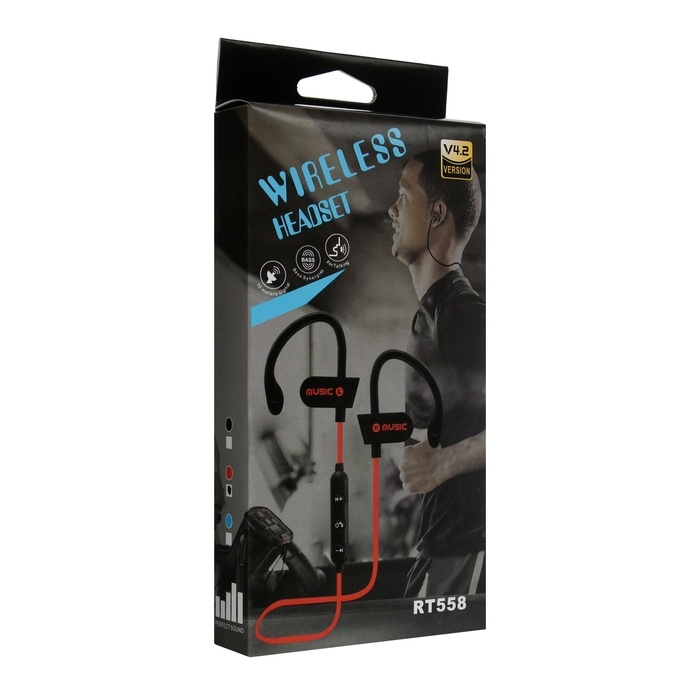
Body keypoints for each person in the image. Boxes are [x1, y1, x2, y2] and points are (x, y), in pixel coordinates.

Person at [387, 149, 486, 597]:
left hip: (465, 546)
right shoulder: (435, 314)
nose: (392, 210)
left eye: (404, 196)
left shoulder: (463, 315)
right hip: (441, 542)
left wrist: (444, 462)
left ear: (437, 214)